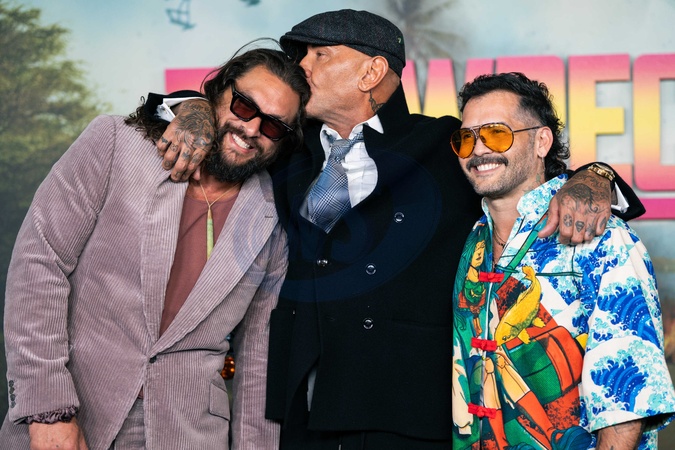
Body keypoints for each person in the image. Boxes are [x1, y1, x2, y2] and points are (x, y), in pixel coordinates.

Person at [151, 10, 644, 449]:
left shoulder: (446, 142)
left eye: (319, 55)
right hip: (301, 406)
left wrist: (595, 177)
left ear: (371, 72)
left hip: (410, 409)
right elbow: (191, 116)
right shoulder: (285, 144)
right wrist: (193, 108)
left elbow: (534, 174)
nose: (301, 67)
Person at [0, 47, 310, 450]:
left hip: (190, 434)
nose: (252, 128)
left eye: (273, 126)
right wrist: (47, 410)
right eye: (244, 106)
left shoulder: (273, 220)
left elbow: (258, 360)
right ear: (217, 93)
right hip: (70, 413)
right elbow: (39, 264)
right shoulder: (116, 143)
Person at [451, 72, 675, 450]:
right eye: (466, 138)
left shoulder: (601, 237)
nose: (478, 149)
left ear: (541, 141)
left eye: (497, 133)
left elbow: (627, 401)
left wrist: (598, 174)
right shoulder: (470, 241)